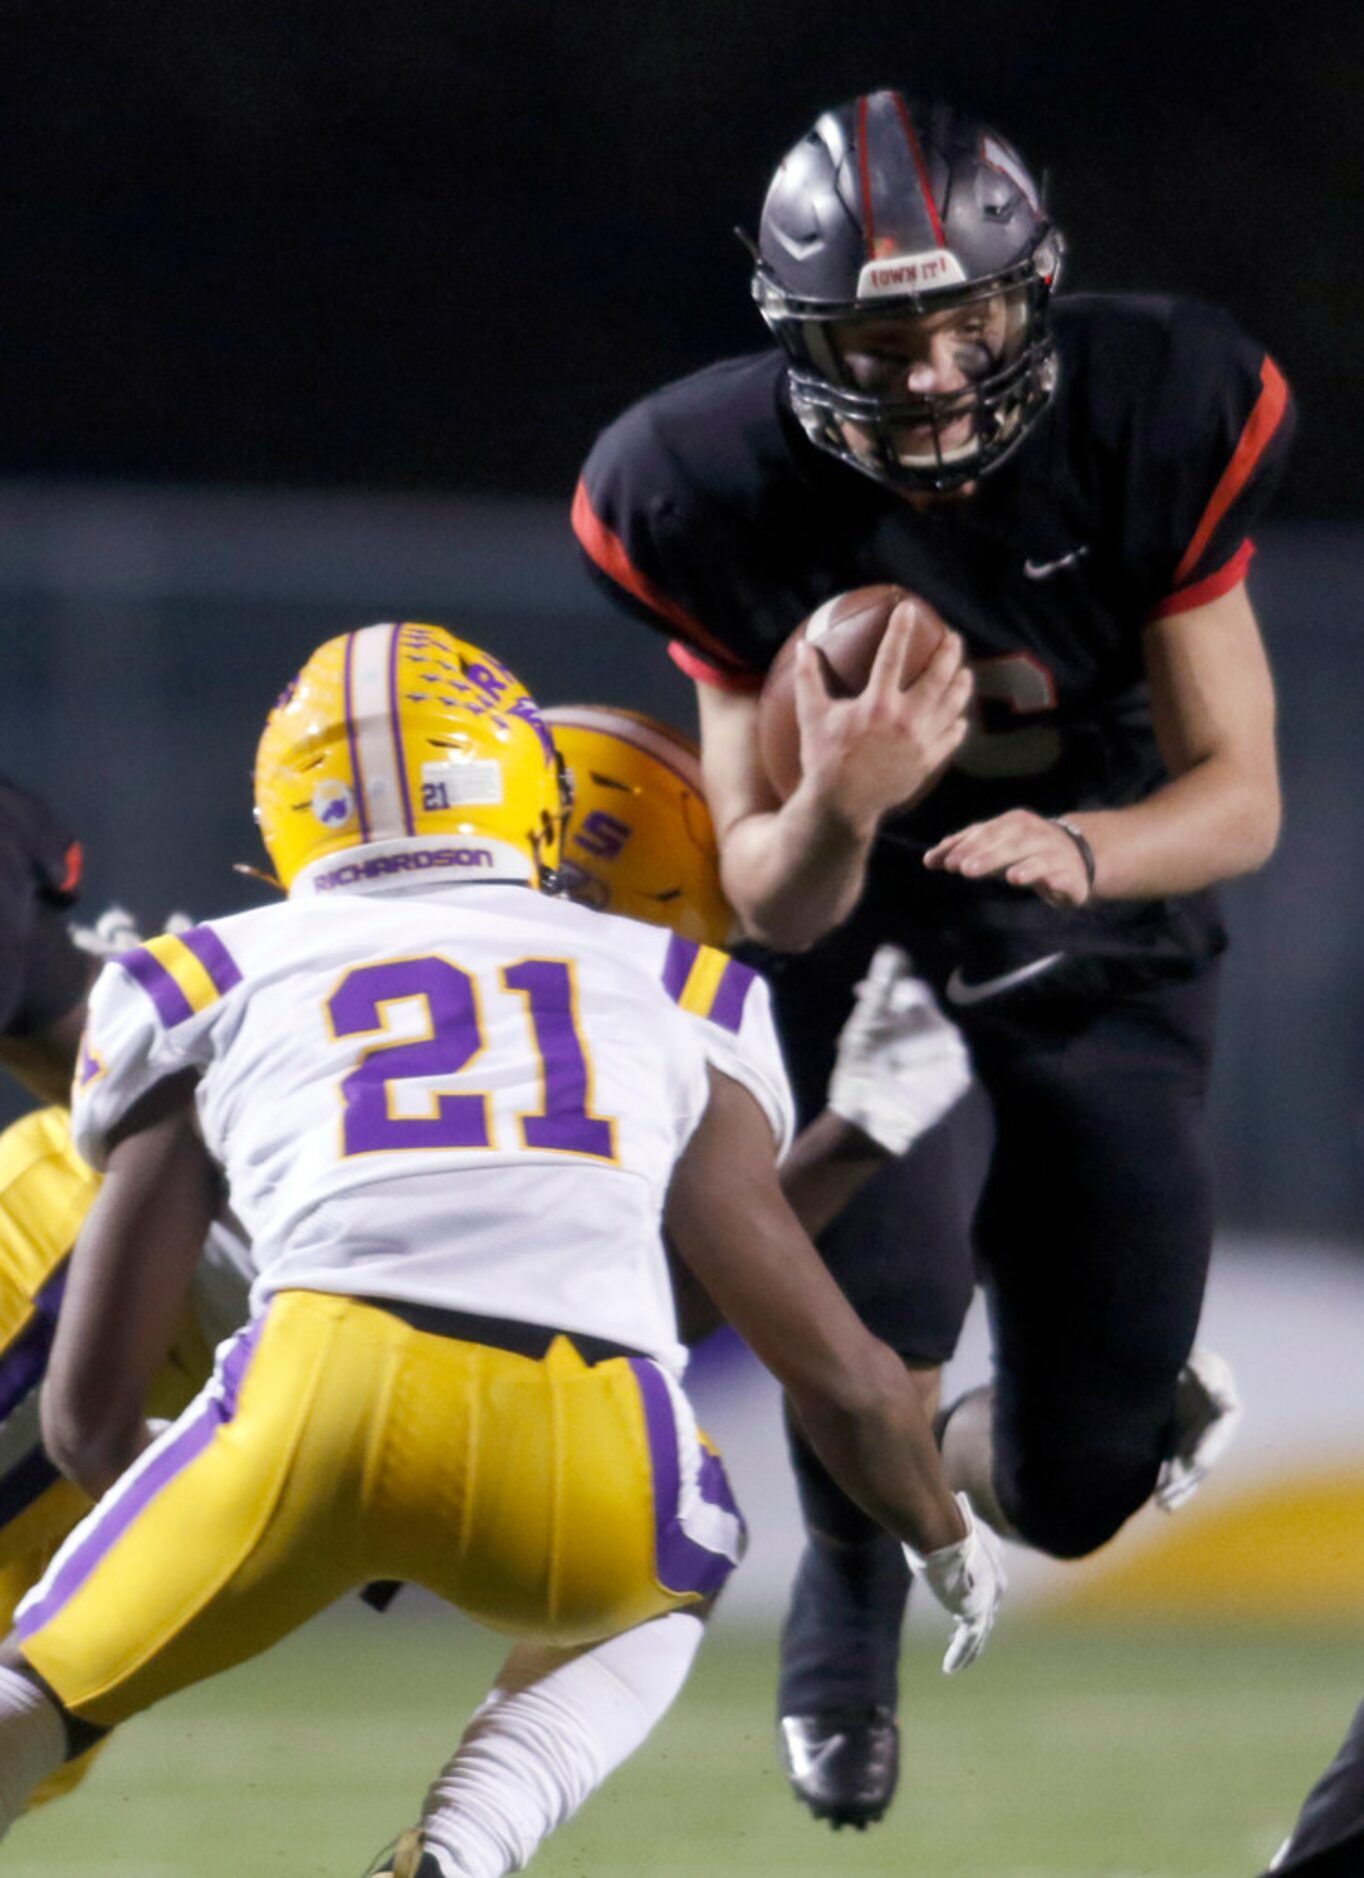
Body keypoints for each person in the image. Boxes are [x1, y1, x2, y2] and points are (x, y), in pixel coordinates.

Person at [0, 622, 1003, 1878]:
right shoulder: (677, 993)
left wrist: (245, 1513)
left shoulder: (200, 975)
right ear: (519, 787)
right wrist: (940, 1538)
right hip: (581, 1435)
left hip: (272, 1377)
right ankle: (467, 1850)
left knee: (40, 1704)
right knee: (678, 1559)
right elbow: (836, 1368)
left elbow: (89, 1422)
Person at [573, 87, 1292, 1827]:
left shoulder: (1159, 407)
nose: (926, 372)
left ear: (1028, 289)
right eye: (878, 335)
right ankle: (845, 1584)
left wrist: (1076, 848)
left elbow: (1239, 795)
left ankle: (1011, 1447)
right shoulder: (699, 482)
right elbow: (775, 894)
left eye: (962, 317)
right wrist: (837, 796)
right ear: (796, 332)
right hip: (864, 942)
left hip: (1094, 923)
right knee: (875, 1322)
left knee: (1070, 1486)